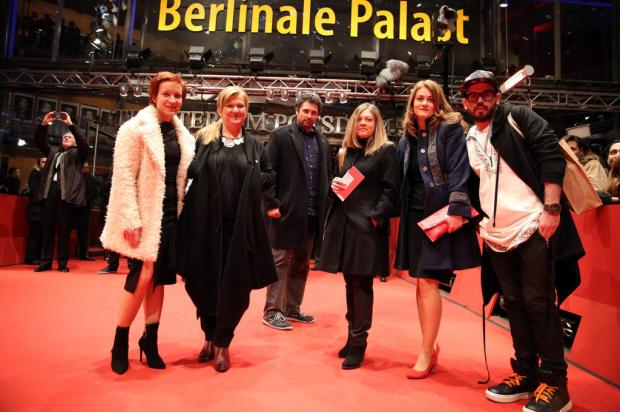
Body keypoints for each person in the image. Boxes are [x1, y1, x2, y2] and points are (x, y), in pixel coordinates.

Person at [461, 70, 584, 412]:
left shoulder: (519, 117)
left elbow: (551, 157)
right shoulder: (470, 136)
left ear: (497, 96)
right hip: (497, 234)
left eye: (487, 93)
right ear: (465, 102)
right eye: (473, 96)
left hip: (533, 225)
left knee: (538, 303)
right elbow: (478, 181)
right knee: (513, 303)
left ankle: (556, 384)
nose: (480, 100)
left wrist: (552, 209)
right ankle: (527, 373)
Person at [100, 72, 195, 375]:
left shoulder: (183, 135)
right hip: (144, 216)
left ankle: (150, 340)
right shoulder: (134, 129)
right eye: (167, 94)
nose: (173, 100)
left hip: (171, 216)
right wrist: (130, 217)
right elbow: (124, 176)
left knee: (159, 279)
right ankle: (119, 342)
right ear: (153, 96)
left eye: (178, 95)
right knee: (143, 275)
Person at [176, 86, 277, 373]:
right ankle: (208, 336)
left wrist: (254, 181)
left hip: (240, 229)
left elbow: (270, 175)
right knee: (201, 283)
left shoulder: (255, 146)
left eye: (240, 106)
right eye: (230, 105)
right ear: (220, 109)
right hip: (205, 226)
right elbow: (188, 172)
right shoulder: (203, 140)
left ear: (246, 111)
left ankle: (222, 343)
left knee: (236, 288)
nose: (235, 110)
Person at [394, 80, 481, 379]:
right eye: (419, 98)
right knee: (421, 284)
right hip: (413, 215)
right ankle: (430, 345)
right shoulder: (406, 138)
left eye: (430, 99)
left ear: (438, 102)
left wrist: (457, 208)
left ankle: (426, 352)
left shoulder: (450, 128)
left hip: (440, 214)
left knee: (429, 282)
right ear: (412, 103)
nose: (424, 103)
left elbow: (459, 169)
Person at [319, 103, 399, 370]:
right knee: (350, 283)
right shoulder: (347, 152)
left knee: (361, 285)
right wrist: (333, 185)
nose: (363, 123)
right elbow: (340, 187)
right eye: (359, 119)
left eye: (369, 119)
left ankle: (358, 343)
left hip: (366, 229)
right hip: (344, 227)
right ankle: (352, 336)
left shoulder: (386, 151)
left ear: (377, 124)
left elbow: (391, 191)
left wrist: (375, 217)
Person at [261, 92, 331, 331]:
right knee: (279, 262)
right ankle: (272, 311)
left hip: (311, 214)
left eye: (314, 112)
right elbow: (268, 173)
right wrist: (271, 204)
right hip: (284, 212)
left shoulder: (322, 141)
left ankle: (292, 308)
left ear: (318, 115)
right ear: (297, 111)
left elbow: (325, 176)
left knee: (301, 263)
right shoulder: (281, 135)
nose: (309, 116)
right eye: (306, 111)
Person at [34, 111, 89, 272]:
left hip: (66, 195)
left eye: (69, 137)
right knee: (47, 229)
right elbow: (39, 141)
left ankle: (62, 263)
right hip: (49, 192)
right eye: (64, 136)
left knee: (64, 231)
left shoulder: (78, 154)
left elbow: (83, 143)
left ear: (75, 141)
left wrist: (71, 125)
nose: (66, 137)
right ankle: (45, 262)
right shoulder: (53, 151)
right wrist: (43, 124)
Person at [72, 162, 99, 260]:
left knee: (84, 232)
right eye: (84, 167)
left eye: (87, 167)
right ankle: (68, 253)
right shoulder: (73, 177)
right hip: (72, 207)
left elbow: (94, 193)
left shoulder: (91, 179)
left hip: (85, 208)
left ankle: (83, 254)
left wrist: (84, 200)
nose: (86, 169)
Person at [25, 157, 46, 264]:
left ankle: (38, 257)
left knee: (41, 236)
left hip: (42, 211)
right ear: (39, 163)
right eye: (43, 162)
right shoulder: (35, 173)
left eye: (46, 162)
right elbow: (35, 191)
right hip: (35, 209)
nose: (45, 164)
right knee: (34, 236)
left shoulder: (46, 174)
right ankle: (30, 258)